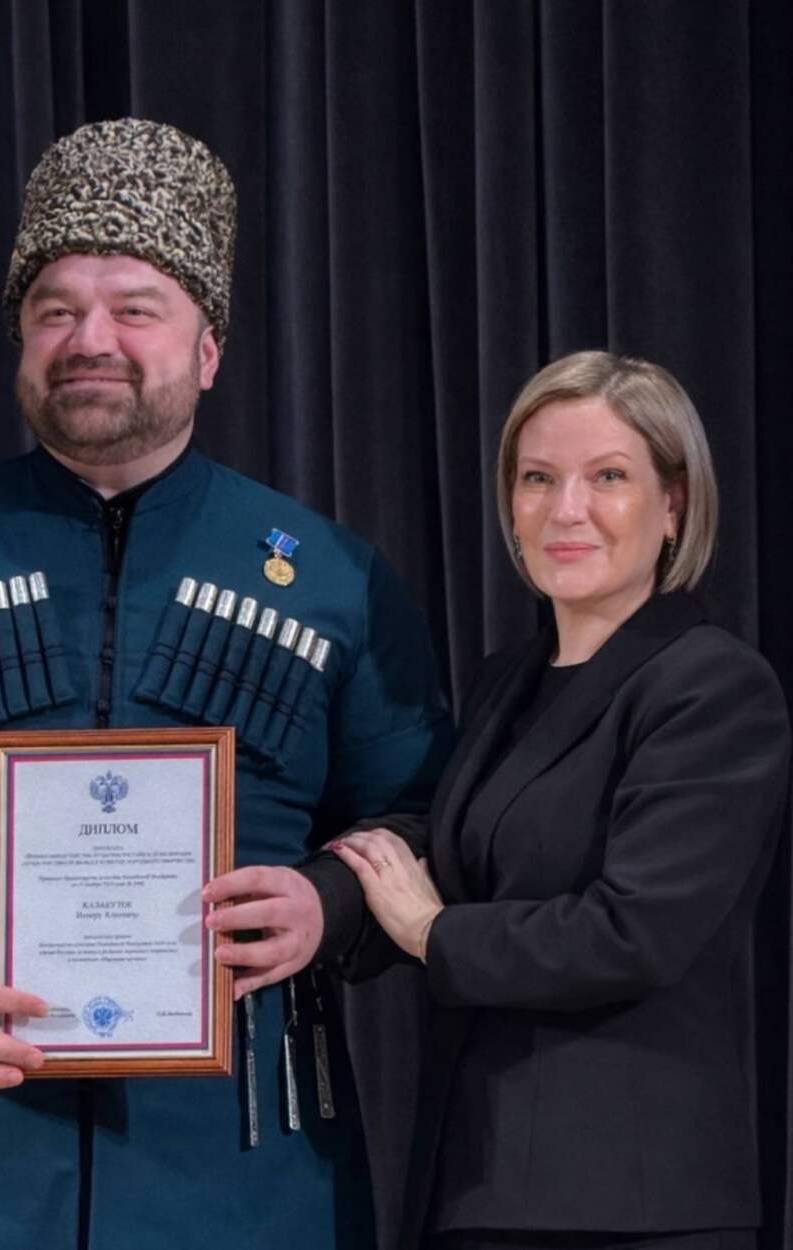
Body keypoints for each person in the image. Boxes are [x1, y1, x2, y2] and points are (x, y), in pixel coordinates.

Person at [0, 118, 451, 1250]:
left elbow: (430, 817)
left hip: (248, 1186)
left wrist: (329, 905)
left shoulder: (331, 578)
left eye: (135, 307)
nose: (90, 339)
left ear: (209, 348)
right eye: (56, 309)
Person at [331, 351, 791, 1250]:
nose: (566, 509)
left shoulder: (713, 687)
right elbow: (446, 861)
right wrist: (318, 898)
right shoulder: (505, 681)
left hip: (630, 1209)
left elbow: (632, 933)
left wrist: (432, 933)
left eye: (608, 477)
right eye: (538, 478)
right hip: (477, 1180)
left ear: (674, 504)